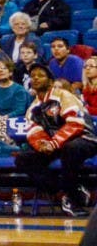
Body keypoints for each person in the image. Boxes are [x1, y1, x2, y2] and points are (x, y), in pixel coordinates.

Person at [15, 63, 97, 217]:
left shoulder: (63, 96)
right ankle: (63, 192)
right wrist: (43, 145)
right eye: (33, 76)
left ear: (51, 81)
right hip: (57, 144)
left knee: (70, 148)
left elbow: (75, 124)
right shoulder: (33, 107)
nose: (36, 78)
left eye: (41, 75)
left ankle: (74, 199)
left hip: (85, 138)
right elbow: (34, 131)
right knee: (23, 159)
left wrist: (53, 143)